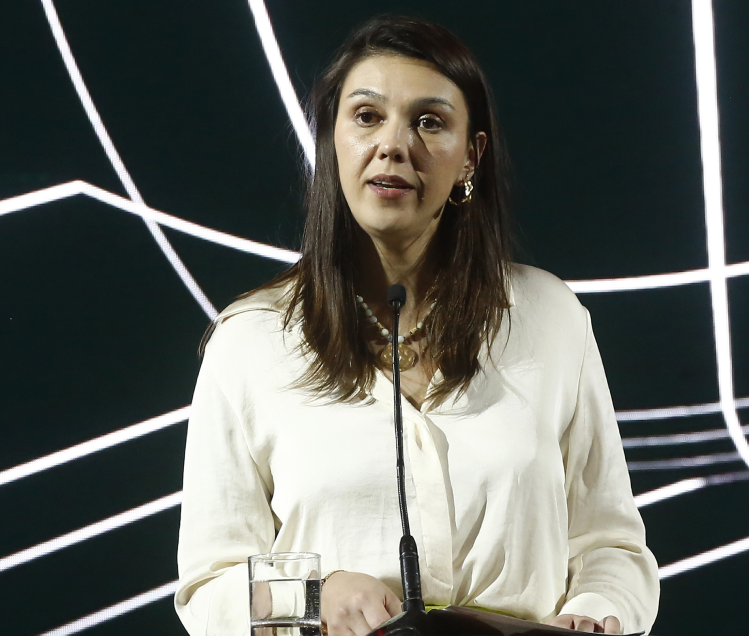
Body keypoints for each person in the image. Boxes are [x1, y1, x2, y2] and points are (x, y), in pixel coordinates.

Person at [175, 15, 659, 636]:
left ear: (470, 157)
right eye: (366, 116)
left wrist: (592, 619)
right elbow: (208, 587)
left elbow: (612, 547)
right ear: (331, 139)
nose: (393, 145)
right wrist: (315, 597)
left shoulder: (549, 316)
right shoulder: (250, 340)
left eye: (429, 122)